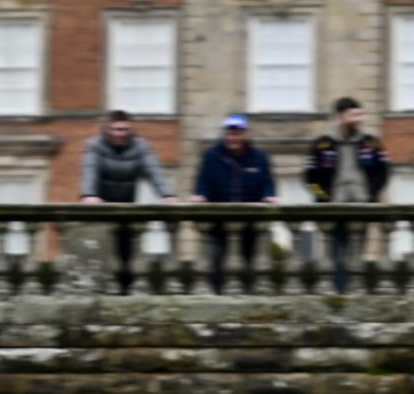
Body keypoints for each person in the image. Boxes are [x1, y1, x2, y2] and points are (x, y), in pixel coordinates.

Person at [79, 110, 176, 292]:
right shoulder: (94, 146)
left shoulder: (141, 146)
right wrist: (89, 194)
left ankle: (125, 292)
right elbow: (89, 171)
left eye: (125, 129)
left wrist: (167, 194)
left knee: (126, 255)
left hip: (126, 210)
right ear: (107, 130)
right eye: (116, 129)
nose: (121, 133)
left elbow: (154, 170)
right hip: (101, 210)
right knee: (99, 253)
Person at [304, 97, 391, 292]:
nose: (359, 119)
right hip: (332, 210)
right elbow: (309, 177)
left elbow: (384, 172)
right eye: (354, 115)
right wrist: (323, 199)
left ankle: (353, 292)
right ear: (341, 117)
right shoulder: (321, 145)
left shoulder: (372, 143)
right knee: (333, 254)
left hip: (361, 209)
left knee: (357, 253)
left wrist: (372, 195)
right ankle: (335, 294)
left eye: (360, 114)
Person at [193, 114, 280, 293]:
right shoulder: (211, 156)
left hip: (250, 224)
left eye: (238, 133)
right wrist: (201, 195)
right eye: (230, 134)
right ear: (225, 135)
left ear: (246, 135)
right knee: (217, 263)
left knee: (250, 265)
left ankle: (249, 298)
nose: (234, 137)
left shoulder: (259, 157)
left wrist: (269, 196)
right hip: (219, 223)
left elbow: (268, 183)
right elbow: (203, 181)